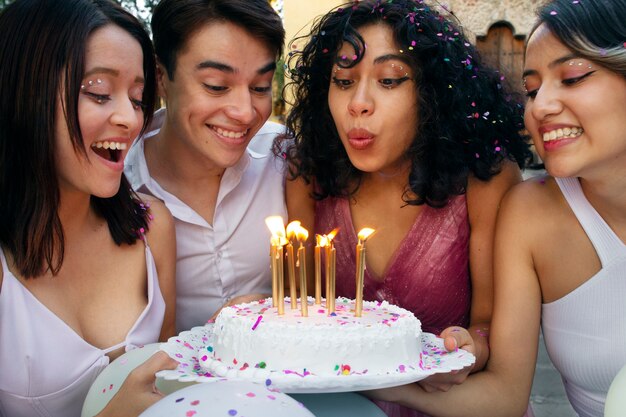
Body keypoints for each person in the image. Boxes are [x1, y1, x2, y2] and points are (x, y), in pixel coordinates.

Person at [363, 0, 626, 416]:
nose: (539, 108)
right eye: (534, 89)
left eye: (573, 77)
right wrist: (377, 381)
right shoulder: (531, 212)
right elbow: (505, 396)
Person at [281, 1, 531, 416]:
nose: (358, 103)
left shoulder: (484, 180)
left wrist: (470, 345)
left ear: (432, 93)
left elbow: (486, 324)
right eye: (343, 81)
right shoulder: (309, 176)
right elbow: (300, 311)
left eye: (390, 80)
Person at [0, 1, 178, 416]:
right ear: (25, 92)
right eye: (98, 91)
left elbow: (170, 381)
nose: (130, 119)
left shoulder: (152, 227)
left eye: (137, 98)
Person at [124, 0, 287, 332]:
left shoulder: (287, 158)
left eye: (260, 87)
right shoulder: (117, 185)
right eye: (216, 86)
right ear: (160, 76)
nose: (244, 112)